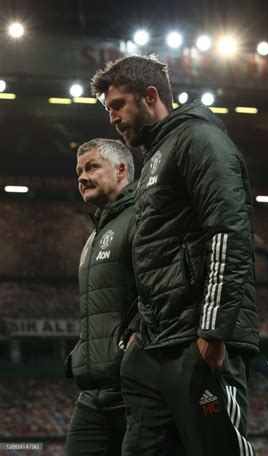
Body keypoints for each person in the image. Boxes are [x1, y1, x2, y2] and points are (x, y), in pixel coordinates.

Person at [91, 55, 259, 456]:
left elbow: (227, 232)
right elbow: (155, 256)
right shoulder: (156, 156)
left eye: (118, 105)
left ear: (150, 96)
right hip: (155, 345)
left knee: (216, 449)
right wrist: (137, 331)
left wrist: (212, 334)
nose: (112, 118)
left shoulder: (200, 139)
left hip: (195, 341)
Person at [65, 138, 139, 455]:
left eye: (92, 167)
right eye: (79, 170)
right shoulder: (94, 236)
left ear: (121, 169)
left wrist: (134, 345)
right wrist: (82, 352)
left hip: (134, 389)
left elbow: (165, 288)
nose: (82, 177)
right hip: (92, 393)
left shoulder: (145, 216)